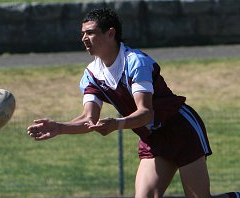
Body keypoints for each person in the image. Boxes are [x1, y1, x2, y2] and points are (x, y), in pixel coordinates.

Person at [27, 8, 239, 198]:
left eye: (90, 32)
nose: (84, 38)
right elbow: (88, 118)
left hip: (182, 131)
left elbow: (146, 113)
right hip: (153, 139)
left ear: (110, 33)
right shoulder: (91, 75)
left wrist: (116, 124)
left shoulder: (135, 62)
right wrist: (59, 127)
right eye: (82, 33)